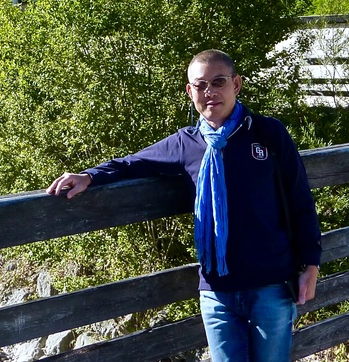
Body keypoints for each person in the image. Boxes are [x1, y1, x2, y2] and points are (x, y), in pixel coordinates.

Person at [47, 49, 321, 362]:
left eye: (218, 82)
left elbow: (300, 200)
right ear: (190, 92)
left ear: (236, 84)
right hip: (217, 290)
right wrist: (89, 176)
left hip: (271, 284)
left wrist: (310, 264)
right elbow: (132, 163)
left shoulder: (268, 133)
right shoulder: (185, 143)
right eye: (200, 85)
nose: (210, 92)